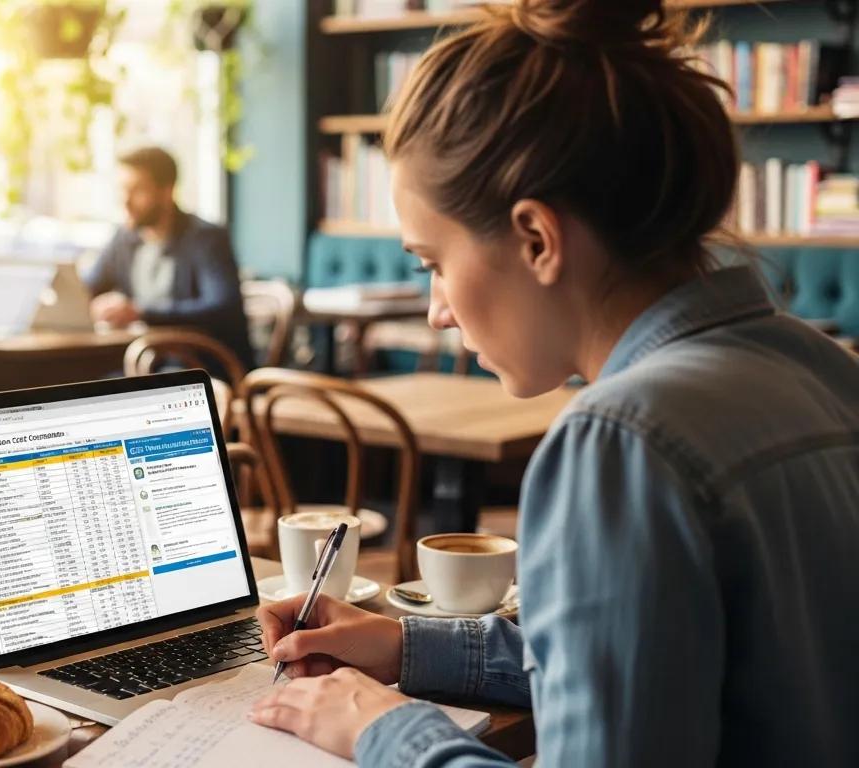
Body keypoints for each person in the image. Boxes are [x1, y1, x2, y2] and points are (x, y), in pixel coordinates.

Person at [250, 1, 859, 766]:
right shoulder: (823, 368)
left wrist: (385, 730)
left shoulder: (620, 443)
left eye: (433, 262)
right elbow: (650, 662)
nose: (438, 311)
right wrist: (406, 644)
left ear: (537, 239)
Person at [85, 146, 254, 369]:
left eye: (137, 190)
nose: (125, 201)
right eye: (122, 189)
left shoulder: (206, 239)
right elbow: (88, 289)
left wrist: (140, 312)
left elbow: (222, 307)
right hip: (144, 359)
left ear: (166, 191)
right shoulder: (124, 239)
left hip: (201, 365)